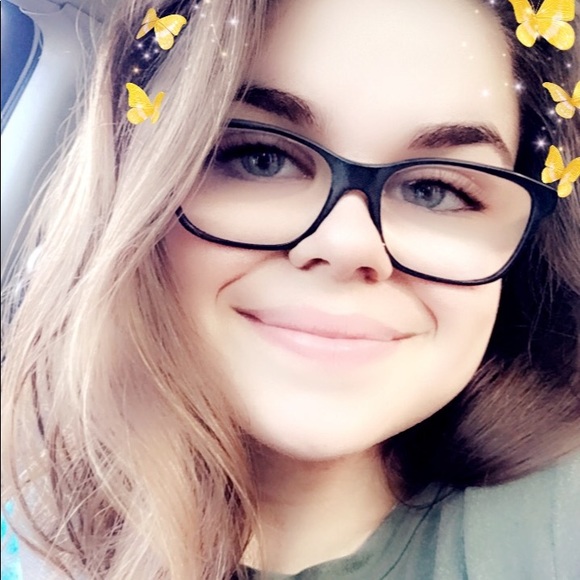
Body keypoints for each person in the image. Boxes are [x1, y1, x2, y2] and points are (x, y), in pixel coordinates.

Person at [2, 0, 579, 578]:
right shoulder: (27, 511)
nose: (348, 244)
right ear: (139, 189)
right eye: (262, 158)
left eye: (435, 190)